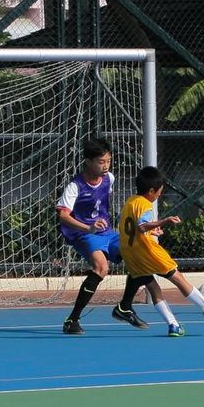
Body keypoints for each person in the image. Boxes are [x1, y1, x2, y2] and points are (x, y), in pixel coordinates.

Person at [56, 138, 159, 334]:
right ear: (88, 162)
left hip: (106, 233)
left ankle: (124, 308)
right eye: (101, 162)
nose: (106, 166)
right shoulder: (75, 186)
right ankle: (72, 320)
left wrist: (145, 228)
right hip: (83, 233)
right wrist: (88, 228)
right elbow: (63, 216)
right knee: (101, 267)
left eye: (108, 161)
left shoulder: (109, 178)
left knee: (138, 256)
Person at [114, 166, 204, 337]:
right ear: (151, 191)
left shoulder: (130, 201)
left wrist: (151, 231)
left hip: (130, 252)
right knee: (177, 277)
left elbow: (130, 227)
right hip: (147, 251)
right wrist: (165, 221)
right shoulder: (145, 204)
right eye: (159, 192)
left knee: (153, 287)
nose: (159, 195)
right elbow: (141, 226)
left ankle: (173, 325)